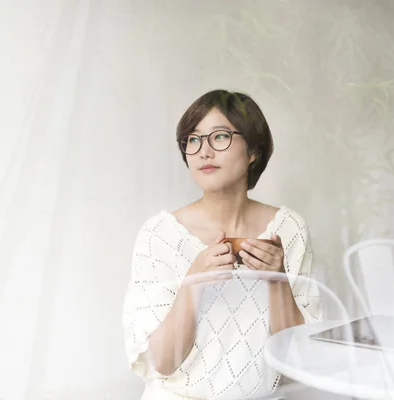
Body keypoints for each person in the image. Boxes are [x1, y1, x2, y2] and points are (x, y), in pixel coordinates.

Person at [122, 89, 323, 400]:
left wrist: (277, 280)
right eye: (192, 139)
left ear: (253, 150)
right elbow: (162, 363)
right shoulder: (159, 235)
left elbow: (299, 359)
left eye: (219, 137)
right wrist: (193, 283)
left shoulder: (288, 230)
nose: (203, 151)